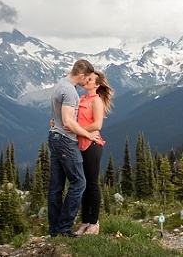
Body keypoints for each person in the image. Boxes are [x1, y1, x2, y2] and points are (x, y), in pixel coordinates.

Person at [47, 58, 98, 237]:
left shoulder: (60, 84)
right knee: (79, 182)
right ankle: (63, 228)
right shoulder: (69, 91)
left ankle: (55, 230)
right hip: (65, 141)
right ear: (82, 75)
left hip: (54, 136)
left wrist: (56, 123)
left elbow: (58, 116)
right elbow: (68, 122)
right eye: (87, 79)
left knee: (56, 187)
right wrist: (87, 134)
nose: (87, 83)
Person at [75, 70, 113, 235]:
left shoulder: (96, 101)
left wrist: (78, 130)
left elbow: (97, 125)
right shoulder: (82, 98)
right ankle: (84, 222)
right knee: (83, 185)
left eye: (90, 79)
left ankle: (94, 222)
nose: (86, 81)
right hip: (80, 144)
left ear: (97, 85)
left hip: (91, 144)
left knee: (92, 184)